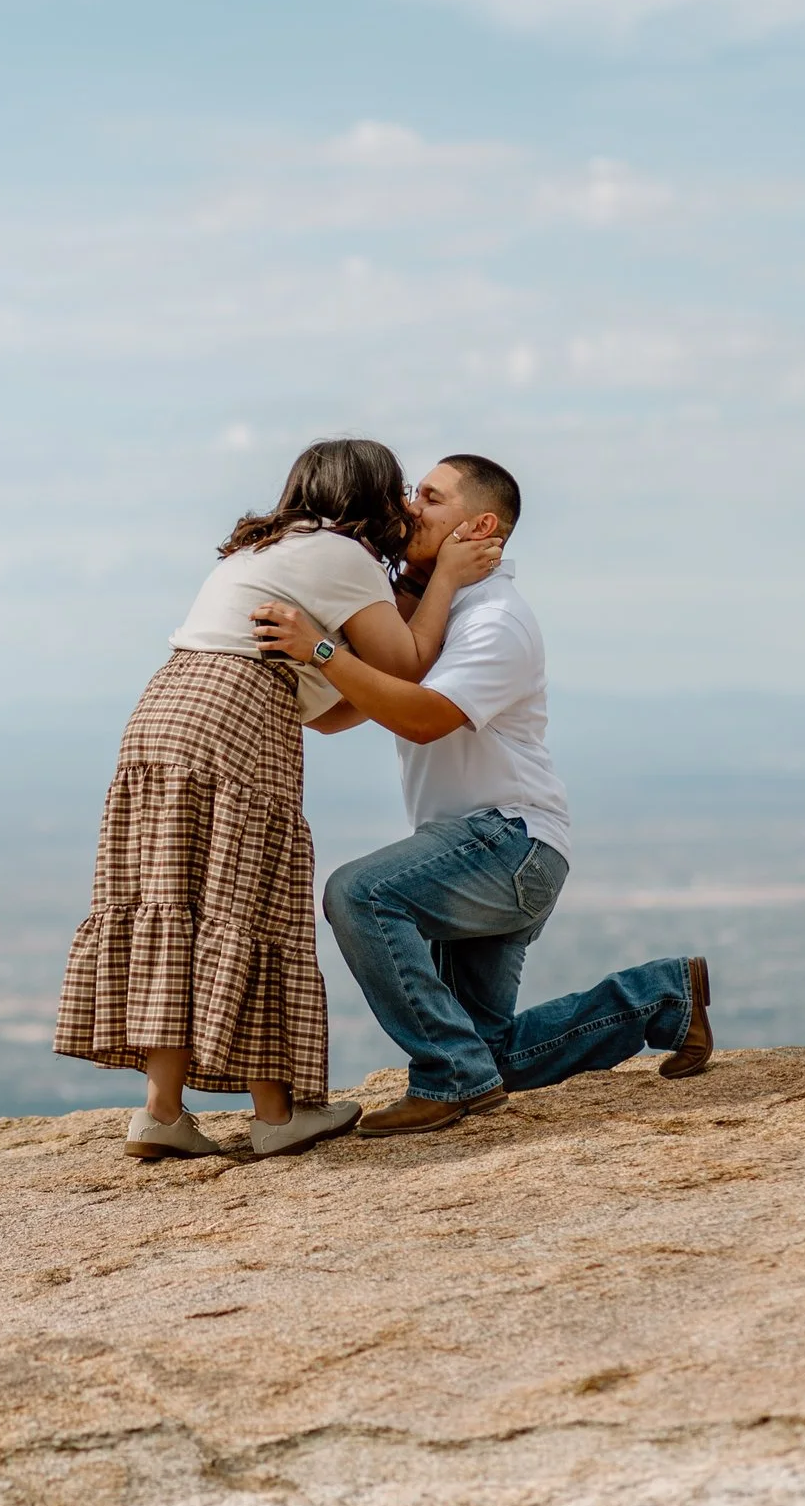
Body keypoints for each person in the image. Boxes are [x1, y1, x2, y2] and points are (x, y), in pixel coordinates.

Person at [57, 438, 502, 1161]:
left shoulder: (263, 549)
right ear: (363, 497)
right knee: (257, 900)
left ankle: (162, 1113)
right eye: (395, 490)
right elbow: (410, 664)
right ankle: (275, 1116)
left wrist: (343, 658)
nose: (402, 506)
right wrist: (445, 577)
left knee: (177, 901)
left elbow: (334, 705)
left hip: (166, 708)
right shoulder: (344, 556)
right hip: (237, 718)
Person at [250, 454, 711, 1135]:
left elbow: (424, 715)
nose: (407, 506)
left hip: (507, 843)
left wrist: (322, 651)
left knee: (358, 892)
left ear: (480, 524)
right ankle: (663, 997)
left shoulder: (495, 619)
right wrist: (337, 645)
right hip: (473, 850)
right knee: (490, 1052)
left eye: (430, 498)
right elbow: (338, 712)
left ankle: (448, 1078)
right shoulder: (441, 615)